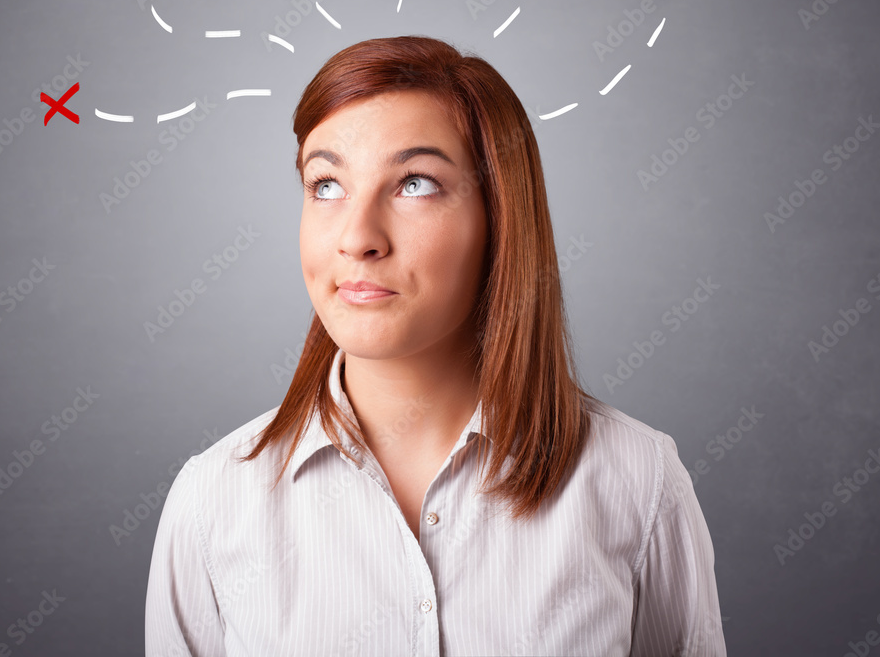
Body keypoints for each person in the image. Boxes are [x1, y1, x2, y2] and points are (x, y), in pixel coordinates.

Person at [145, 34, 727, 656]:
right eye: (326, 185)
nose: (357, 237)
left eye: (415, 183)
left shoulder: (638, 481)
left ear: (500, 219)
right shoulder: (213, 499)